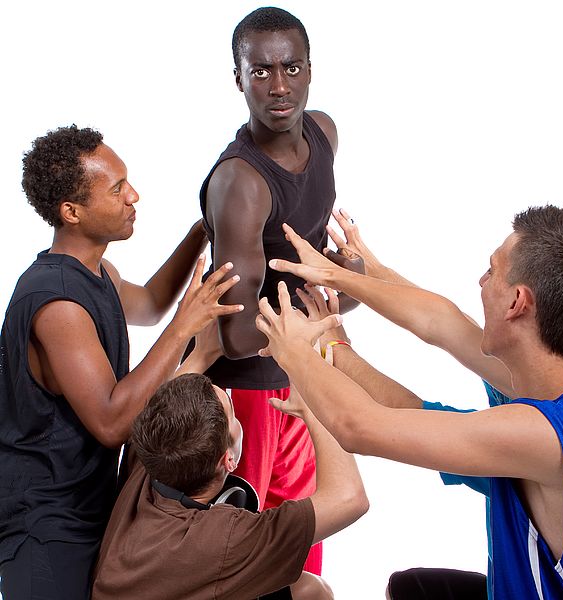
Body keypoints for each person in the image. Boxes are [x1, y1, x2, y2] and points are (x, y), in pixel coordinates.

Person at [258, 205, 563, 599]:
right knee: (412, 588)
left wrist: (293, 348)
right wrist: (341, 289)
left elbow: (360, 427)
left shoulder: (547, 435)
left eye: (492, 271)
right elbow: (441, 324)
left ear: (517, 303)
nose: (481, 280)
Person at [0, 125, 241, 600]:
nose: (134, 195)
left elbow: (151, 303)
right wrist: (185, 328)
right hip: (45, 528)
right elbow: (111, 421)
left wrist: (200, 232)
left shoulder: (96, 271)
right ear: (71, 212)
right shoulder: (58, 304)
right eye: (116, 189)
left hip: (89, 509)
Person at [198, 6, 360, 575]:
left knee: (305, 543)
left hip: (303, 365)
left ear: (311, 70)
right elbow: (238, 337)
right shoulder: (240, 183)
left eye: (291, 67)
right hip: (248, 393)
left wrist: (346, 272)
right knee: (248, 553)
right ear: (238, 77)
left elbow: (325, 273)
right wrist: (330, 290)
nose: (279, 85)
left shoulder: (324, 132)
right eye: (260, 71)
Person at [92, 370, 368, 600]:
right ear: (230, 459)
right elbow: (349, 498)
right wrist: (316, 399)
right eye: (233, 413)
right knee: (318, 593)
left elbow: (177, 386)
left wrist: (204, 344)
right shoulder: (224, 538)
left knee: (308, 588)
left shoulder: (150, 458)